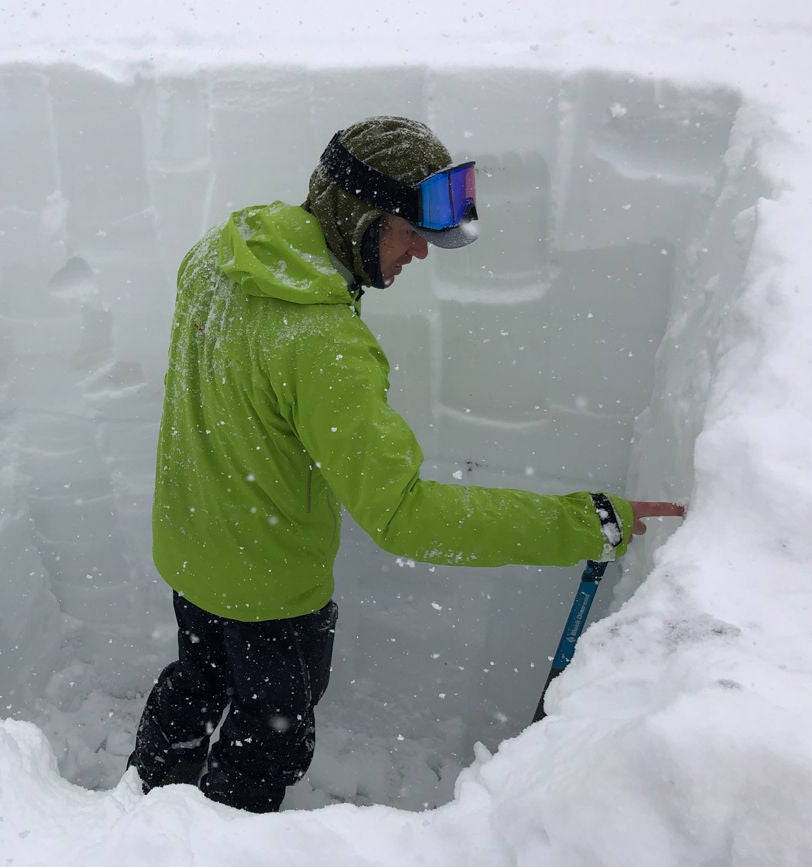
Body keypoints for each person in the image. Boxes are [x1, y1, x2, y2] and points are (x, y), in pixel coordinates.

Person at [127, 116, 684, 813]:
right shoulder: (325, 345)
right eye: (410, 231)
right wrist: (579, 523)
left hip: (189, 551)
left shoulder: (219, 255)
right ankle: (213, 842)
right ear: (359, 217)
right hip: (270, 594)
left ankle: (141, 804)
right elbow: (405, 517)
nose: (421, 252)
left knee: (195, 681)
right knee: (268, 740)